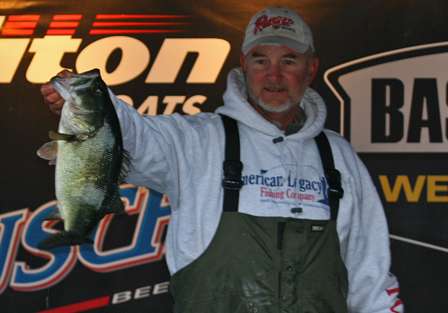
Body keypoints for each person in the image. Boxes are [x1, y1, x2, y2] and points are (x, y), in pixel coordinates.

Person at [40, 6, 403, 313]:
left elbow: (370, 274)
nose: (273, 75)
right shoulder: (198, 139)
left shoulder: (339, 156)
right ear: (244, 64)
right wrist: (89, 103)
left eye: (288, 60)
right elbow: (135, 139)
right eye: (261, 60)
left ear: (310, 68)